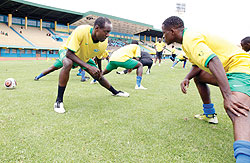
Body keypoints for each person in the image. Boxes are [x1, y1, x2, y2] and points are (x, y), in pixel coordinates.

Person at [162, 16, 250, 162]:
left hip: (241, 67)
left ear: (172, 31)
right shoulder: (187, 42)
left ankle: (244, 159)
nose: (163, 36)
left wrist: (227, 96)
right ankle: (210, 114)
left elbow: (213, 60)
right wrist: (187, 78)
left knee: (236, 109)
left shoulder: (190, 39)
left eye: (164, 32)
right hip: (230, 70)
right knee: (200, 77)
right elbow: (198, 65)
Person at [54, 17, 129, 114]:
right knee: (68, 63)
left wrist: (100, 70)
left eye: (109, 32)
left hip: (84, 57)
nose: (108, 35)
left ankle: (116, 92)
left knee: (98, 76)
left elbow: (99, 56)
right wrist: (89, 67)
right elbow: (69, 53)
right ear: (96, 28)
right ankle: (58, 101)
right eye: (106, 31)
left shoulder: (104, 42)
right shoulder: (81, 31)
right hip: (68, 52)